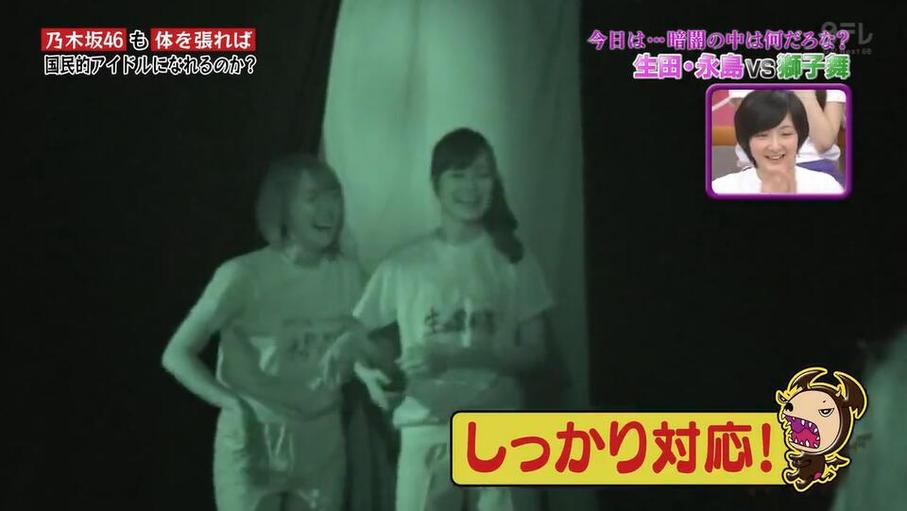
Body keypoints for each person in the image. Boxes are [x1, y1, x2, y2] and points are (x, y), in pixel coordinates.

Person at [344, 128, 553, 511]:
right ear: (436, 183)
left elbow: (537, 352)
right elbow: (353, 335)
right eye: (459, 175)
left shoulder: (514, 258)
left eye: (482, 174)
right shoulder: (404, 265)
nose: (471, 187)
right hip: (427, 426)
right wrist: (367, 374)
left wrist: (458, 357)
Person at [161, 154, 373, 511]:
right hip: (256, 434)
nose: (328, 209)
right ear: (282, 207)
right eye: (312, 198)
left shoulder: (350, 276)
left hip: (321, 437)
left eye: (334, 196)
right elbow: (177, 354)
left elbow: (377, 350)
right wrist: (231, 403)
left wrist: (366, 359)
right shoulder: (244, 274)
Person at [712, 90, 844, 195]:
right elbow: (751, 122)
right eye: (763, 135)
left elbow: (825, 142)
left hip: (817, 165)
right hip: (756, 167)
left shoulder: (825, 185)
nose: (775, 146)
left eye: (786, 134)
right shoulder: (722, 188)